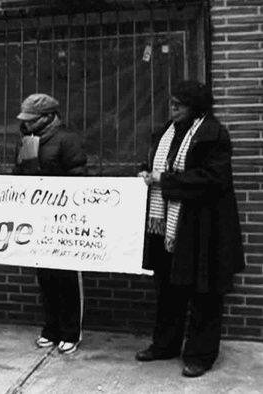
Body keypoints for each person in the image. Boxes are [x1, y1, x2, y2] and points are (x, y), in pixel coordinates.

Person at [135, 80, 245, 378]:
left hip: (203, 226)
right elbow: (158, 164)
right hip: (169, 227)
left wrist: (164, 180)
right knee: (169, 290)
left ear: (195, 107)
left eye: (178, 106)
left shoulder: (213, 135)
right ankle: (164, 345)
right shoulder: (165, 133)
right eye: (170, 104)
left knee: (204, 293)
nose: (172, 111)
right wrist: (147, 172)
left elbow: (212, 179)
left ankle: (200, 355)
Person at [14, 93, 87, 354]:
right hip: (37, 218)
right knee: (45, 278)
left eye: (31, 120)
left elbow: (79, 179)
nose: (27, 124)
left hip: (64, 219)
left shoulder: (68, 140)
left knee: (66, 277)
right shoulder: (26, 141)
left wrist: (42, 177)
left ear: (47, 117)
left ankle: (71, 331)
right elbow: (17, 176)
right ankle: (51, 328)